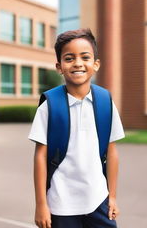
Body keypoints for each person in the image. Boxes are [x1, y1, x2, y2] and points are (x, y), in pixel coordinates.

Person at [29, 28, 125, 228]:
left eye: (85, 57)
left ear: (96, 64)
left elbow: (112, 152)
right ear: (59, 66)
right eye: (69, 58)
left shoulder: (105, 102)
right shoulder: (49, 105)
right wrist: (41, 204)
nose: (78, 63)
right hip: (61, 203)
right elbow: (40, 156)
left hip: (98, 199)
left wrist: (112, 196)